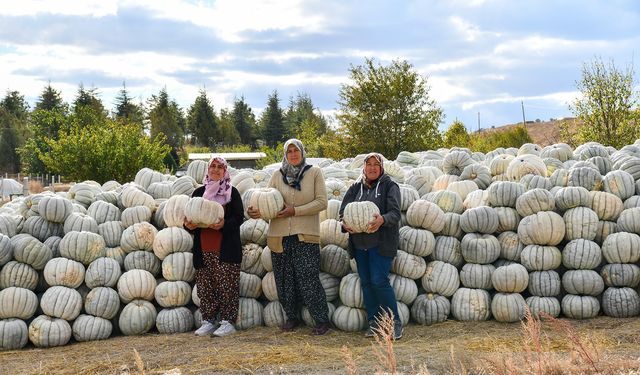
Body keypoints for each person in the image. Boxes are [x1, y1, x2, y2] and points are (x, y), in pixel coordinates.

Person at [247, 139, 330, 335]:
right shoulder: (277, 175)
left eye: (296, 150)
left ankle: (321, 320)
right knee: (284, 280)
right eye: (289, 151)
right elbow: (267, 202)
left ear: (302, 152)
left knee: (308, 278)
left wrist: (295, 211)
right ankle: (292, 317)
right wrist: (256, 212)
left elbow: (322, 202)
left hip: (305, 235)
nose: (293, 154)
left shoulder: (314, 173)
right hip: (279, 236)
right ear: (285, 154)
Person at [339, 152, 403, 340]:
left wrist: (383, 219)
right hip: (359, 245)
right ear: (364, 167)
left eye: (376, 164)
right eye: (369, 164)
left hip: (381, 244)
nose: (372, 167)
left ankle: (394, 323)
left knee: (379, 281)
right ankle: (374, 323)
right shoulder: (354, 188)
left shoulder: (390, 186)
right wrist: (344, 224)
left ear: (381, 167)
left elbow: (395, 213)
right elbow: (343, 212)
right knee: (366, 284)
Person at [186, 156, 244, 337]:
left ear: (225, 171)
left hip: (225, 249)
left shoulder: (231, 192)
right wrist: (188, 226)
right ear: (208, 169)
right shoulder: (198, 193)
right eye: (213, 166)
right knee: (205, 287)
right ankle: (208, 321)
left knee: (227, 287)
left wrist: (223, 225)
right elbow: (188, 218)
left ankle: (228, 322)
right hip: (203, 248)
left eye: (220, 167)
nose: (216, 170)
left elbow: (238, 218)